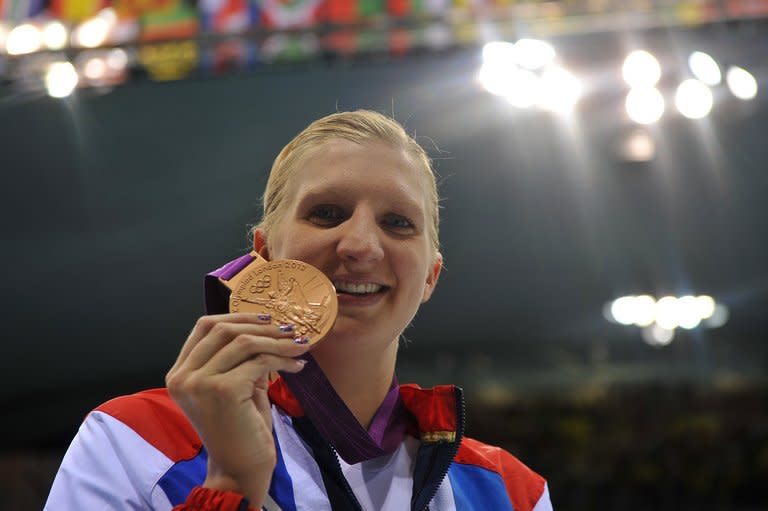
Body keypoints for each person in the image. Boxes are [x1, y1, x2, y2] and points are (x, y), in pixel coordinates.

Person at [45, 110, 553, 510]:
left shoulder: (511, 493)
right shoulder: (135, 440)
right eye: (327, 213)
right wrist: (230, 485)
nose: (360, 244)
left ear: (429, 278)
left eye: (398, 222)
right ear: (264, 254)